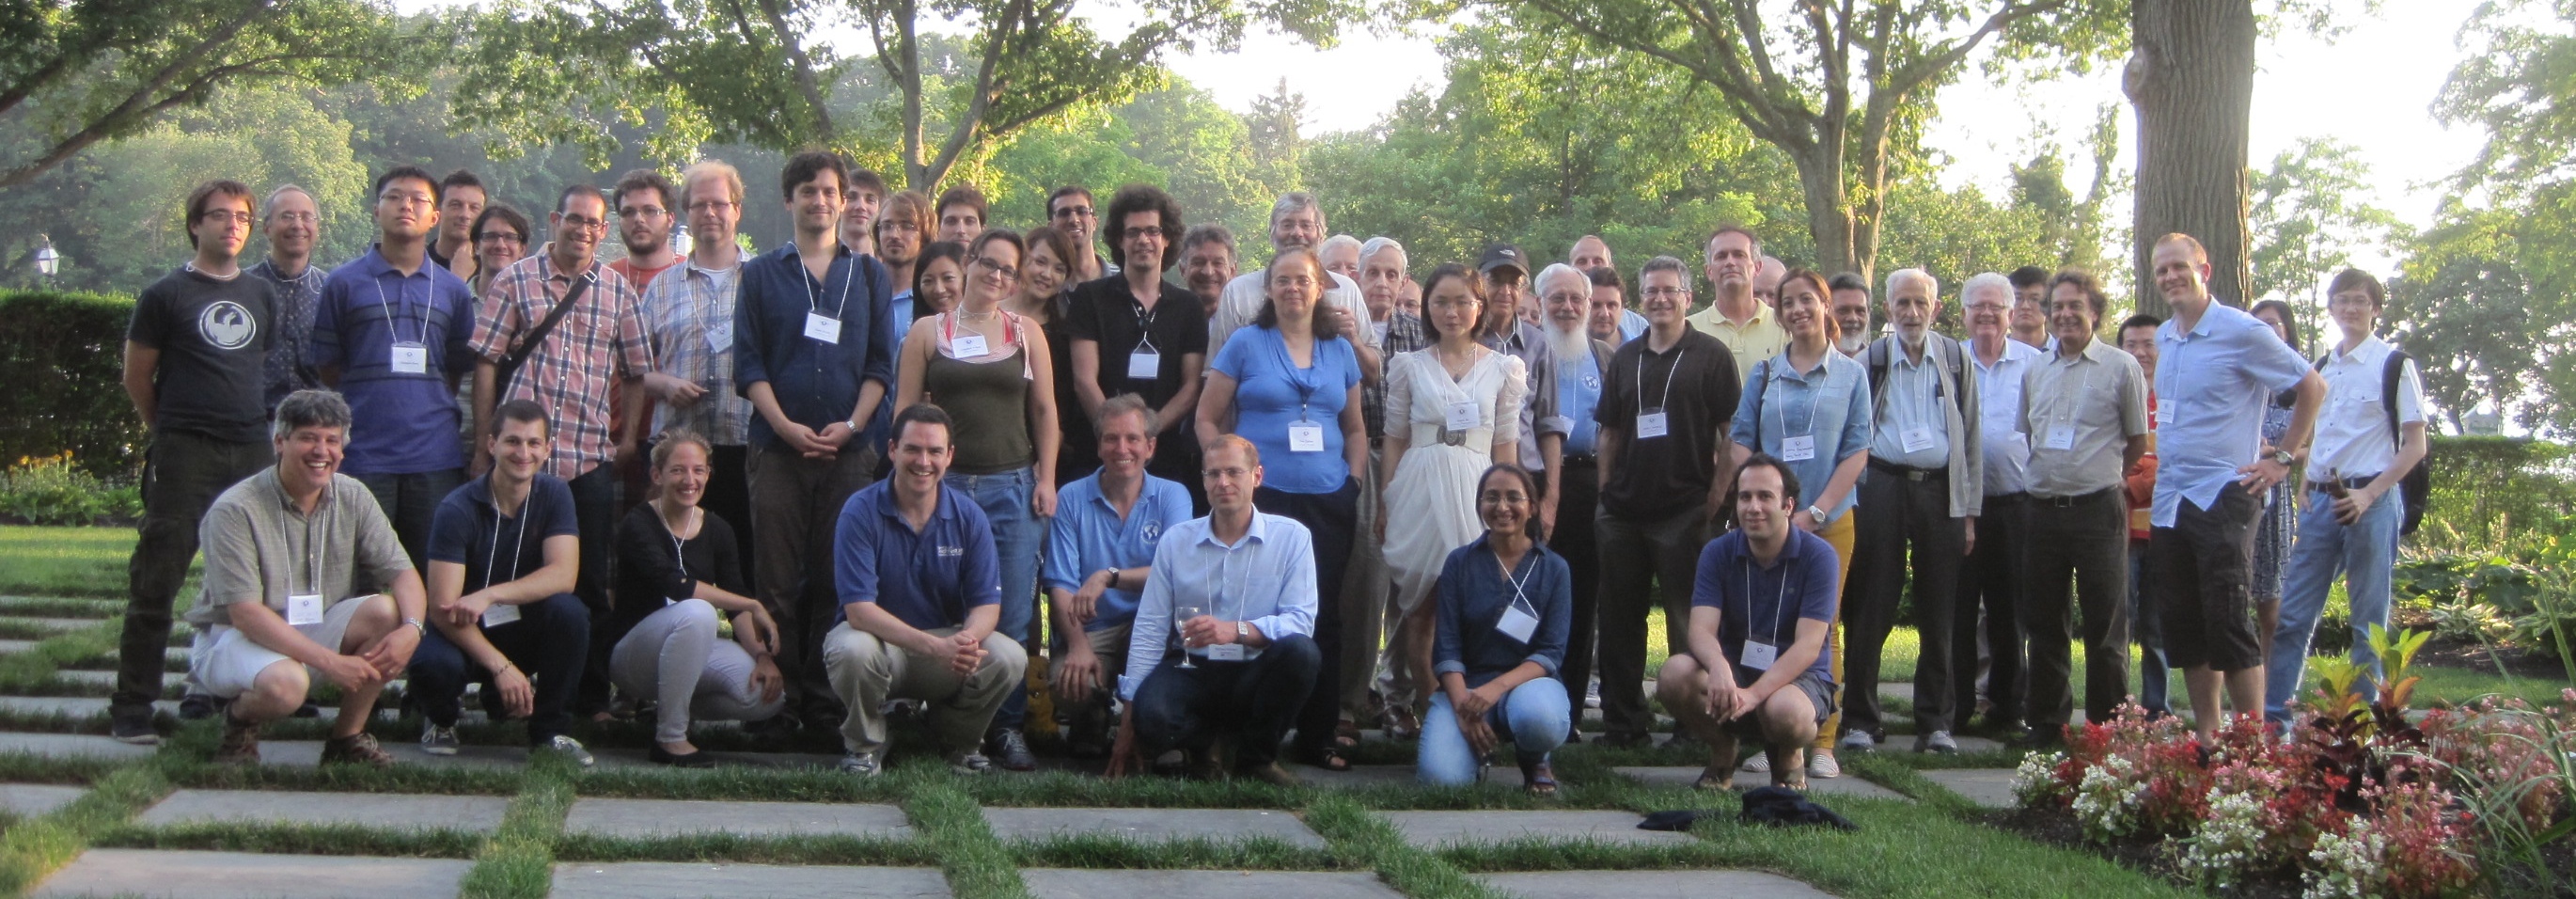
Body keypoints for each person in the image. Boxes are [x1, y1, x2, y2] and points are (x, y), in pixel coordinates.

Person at [470, 183, 653, 721]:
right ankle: (500, 690)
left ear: (604, 230)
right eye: (574, 219)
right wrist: (483, 444)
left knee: (589, 582)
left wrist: (628, 440)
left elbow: (637, 372)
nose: (582, 230)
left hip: (586, 461)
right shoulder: (515, 279)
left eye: (593, 223)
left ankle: (589, 698)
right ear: (555, 220)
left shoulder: (618, 291)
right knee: (505, 578)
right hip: (519, 465)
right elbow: (486, 363)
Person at [735, 151, 899, 735]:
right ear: (789, 200)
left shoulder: (869, 275)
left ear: (845, 200)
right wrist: (784, 426)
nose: (821, 201)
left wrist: (852, 426)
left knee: (837, 579)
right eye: (808, 191)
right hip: (777, 449)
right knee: (776, 582)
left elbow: (880, 366)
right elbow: (749, 365)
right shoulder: (761, 274)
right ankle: (777, 700)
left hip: (850, 454)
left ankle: (827, 700)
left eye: (831, 191)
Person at [115, 179, 279, 745]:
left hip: (251, 449)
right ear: (195, 225)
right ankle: (133, 706)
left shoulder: (261, 294)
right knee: (157, 579)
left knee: (251, 583)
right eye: (219, 215)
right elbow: (137, 377)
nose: (232, 225)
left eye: (242, 217)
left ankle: (230, 696)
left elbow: (256, 366)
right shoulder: (165, 295)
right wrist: (169, 430)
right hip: (186, 451)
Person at [2145, 233, 2326, 744]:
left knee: (2228, 619)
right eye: (2162, 270)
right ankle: (2208, 739)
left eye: (2180, 267)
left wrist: (2283, 458)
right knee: (2185, 622)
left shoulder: (2241, 330)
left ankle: (2251, 748)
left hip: (2226, 492)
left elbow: (2312, 386)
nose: (2171, 277)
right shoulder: (2165, 337)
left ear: (2204, 269)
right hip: (2171, 498)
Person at [184, 390, 424, 765]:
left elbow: (402, 572)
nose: (321, 451)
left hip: (310, 627)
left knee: (388, 612)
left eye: (332, 440)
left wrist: (412, 629)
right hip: (235, 638)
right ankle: (238, 719)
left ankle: (346, 740)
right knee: (287, 688)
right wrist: (331, 663)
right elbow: (245, 614)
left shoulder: (354, 496)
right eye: (308, 438)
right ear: (280, 442)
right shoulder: (235, 509)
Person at [894, 228, 1060, 770]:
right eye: (989, 263)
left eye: (1008, 270)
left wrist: (1047, 478)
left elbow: (1044, 412)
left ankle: (1003, 727)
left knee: (1010, 614)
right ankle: (941, 714)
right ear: (969, 260)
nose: (997, 276)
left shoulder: (1027, 332)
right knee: (940, 605)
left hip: (1012, 489)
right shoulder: (927, 331)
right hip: (942, 490)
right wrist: (910, 479)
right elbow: (906, 411)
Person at [1197, 244, 1364, 771]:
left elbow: (1355, 428)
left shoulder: (1339, 349)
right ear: (1268, 289)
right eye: (1283, 280)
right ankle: (1241, 732)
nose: (1293, 288)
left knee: (1324, 616)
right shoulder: (1246, 343)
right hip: (1262, 501)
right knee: (1251, 609)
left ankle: (1318, 736)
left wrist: (1354, 483)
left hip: (1328, 500)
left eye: (1303, 280)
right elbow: (1207, 417)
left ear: (1320, 288)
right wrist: (1226, 472)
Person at [825, 402, 1029, 776]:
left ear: (949, 456)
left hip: (943, 649)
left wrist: (965, 642)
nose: (923, 461)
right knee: (852, 648)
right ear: (892, 450)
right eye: (913, 449)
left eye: (935, 451)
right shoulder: (860, 511)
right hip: (880, 646)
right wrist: (936, 647)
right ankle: (864, 749)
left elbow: (987, 606)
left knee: (1009, 656)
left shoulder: (969, 517)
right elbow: (859, 611)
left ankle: (956, 741)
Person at [2264, 269, 2427, 725]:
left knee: (2368, 624)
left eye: (2360, 300)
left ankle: (2356, 730)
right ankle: (2274, 725)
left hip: (2371, 503)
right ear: (2331, 308)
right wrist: (2305, 482)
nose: (2350, 308)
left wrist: (2368, 495)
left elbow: (2416, 445)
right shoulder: (2321, 368)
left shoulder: (2394, 365)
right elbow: (2321, 435)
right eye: (2342, 300)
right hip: (2320, 504)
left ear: (2376, 309)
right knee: (2292, 616)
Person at [1110, 435, 1321, 786]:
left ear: (1257, 476)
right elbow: (1150, 625)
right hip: (1192, 665)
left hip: (1255, 665)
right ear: (1204, 480)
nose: (1223, 483)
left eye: (1234, 472)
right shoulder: (1176, 541)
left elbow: (1300, 621)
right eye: (1213, 474)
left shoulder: (1291, 537)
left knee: (1302, 653)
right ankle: (1205, 745)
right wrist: (1128, 716)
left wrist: (1236, 630)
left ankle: (1256, 760)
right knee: (1152, 717)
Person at [1594, 256, 1741, 748]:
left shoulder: (1712, 356)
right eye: (1651, 291)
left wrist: (1715, 499)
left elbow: (1732, 435)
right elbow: (1609, 433)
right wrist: (1605, 496)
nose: (1659, 299)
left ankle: (1691, 725)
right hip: (1623, 514)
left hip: (1686, 512)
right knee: (1619, 623)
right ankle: (1623, 725)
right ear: (1641, 299)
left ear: (1688, 297)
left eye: (1669, 291)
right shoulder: (1625, 357)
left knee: (1688, 625)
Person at [1728, 267, 1870, 779]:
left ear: (1825, 305)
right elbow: (1741, 440)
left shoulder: (1851, 375)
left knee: (1823, 626)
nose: (1797, 310)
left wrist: (1814, 513)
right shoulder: (1764, 374)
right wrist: (1758, 502)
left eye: (1807, 299)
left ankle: (1822, 741)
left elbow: (1857, 450)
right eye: (1788, 302)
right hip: (1768, 525)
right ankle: (1773, 732)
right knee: (1768, 622)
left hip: (1828, 521)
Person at [1378, 264, 1529, 740]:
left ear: (1479, 307)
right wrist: (1386, 500)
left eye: (1463, 301)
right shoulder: (1408, 365)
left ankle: (1479, 707)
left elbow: (1505, 445)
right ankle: (1435, 717)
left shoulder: (1503, 368)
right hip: (1419, 491)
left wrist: (1512, 506)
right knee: (1421, 608)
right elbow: (1395, 437)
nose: (1452, 311)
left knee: (1471, 607)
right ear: (1427, 307)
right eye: (1441, 301)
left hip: (1476, 492)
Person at [309, 166, 479, 574]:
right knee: (358, 573)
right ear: (376, 209)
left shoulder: (453, 290)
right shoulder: (343, 283)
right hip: (363, 451)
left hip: (434, 455)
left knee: (430, 572)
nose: (406, 206)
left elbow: (454, 369)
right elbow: (328, 366)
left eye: (418, 200)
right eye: (394, 197)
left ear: (434, 217)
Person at [1842, 267, 1982, 755]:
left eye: (1921, 303)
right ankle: (1861, 720)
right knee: (1871, 605)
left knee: (1940, 609)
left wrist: (1968, 512)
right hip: (1882, 486)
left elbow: (1971, 437)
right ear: (1888, 309)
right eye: (1902, 303)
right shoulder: (1871, 360)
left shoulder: (1956, 359)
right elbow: (1853, 434)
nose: (1912, 312)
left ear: (1936, 309)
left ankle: (1935, 723)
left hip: (1940, 492)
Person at [412, 399, 596, 765]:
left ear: (548, 448)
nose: (523, 453)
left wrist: (490, 595)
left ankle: (551, 732)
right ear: (491, 444)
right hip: (461, 629)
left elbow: (564, 575)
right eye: (512, 441)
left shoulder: (556, 494)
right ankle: (441, 716)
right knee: (434, 667)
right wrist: (501, 667)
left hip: (519, 623)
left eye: (533, 443)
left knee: (570, 612)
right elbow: (442, 608)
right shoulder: (456, 508)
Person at [1656, 455, 1841, 791]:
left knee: (1786, 713)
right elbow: (1700, 629)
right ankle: (1723, 749)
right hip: (1736, 668)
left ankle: (1789, 756)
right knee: (1674, 675)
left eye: (1765, 497)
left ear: (1788, 505)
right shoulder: (1717, 552)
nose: (1753, 507)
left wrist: (1755, 695)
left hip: (1797, 679)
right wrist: (1719, 667)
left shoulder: (1819, 557)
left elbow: (1809, 646)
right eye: (1745, 497)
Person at [2018, 270, 2149, 742]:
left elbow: (2137, 441)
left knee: (2106, 623)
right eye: (2058, 306)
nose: (2065, 314)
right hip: (2041, 509)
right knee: (2044, 622)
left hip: (2098, 510)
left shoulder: (2121, 367)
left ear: (2095, 311)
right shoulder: (2035, 369)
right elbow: (2030, 434)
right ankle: (2047, 723)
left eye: (2076, 305)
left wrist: (2102, 474)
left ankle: (2105, 728)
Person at [609, 429, 786, 765]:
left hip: (688, 643)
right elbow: (677, 586)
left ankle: (673, 707)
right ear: (657, 475)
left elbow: (736, 600)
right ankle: (670, 738)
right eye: (678, 470)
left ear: (708, 474)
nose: (689, 480)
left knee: (766, 697)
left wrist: (762, 656)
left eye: (698, 470)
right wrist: (752, 604)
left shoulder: (718, 528)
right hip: (634, 655)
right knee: (698, 611)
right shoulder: (639, 523)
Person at [1043, 396, 1193, 757]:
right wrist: (1077, 645)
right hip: (1095, 627)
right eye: (1111, 438)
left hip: (1155, 625)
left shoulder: (1173, 496)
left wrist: (1108, 577)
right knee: (1067, 682)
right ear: (1098, 446)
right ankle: (1091, 718)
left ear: (1150, 447)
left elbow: (1174, 573)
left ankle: (1153, 729)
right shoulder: (1071, 497)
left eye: (1132, 438)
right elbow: (1060, 583)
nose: (1122, 448)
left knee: (1167, 686)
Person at [638, 160, 759, 576]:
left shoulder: (763, 278)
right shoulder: (662, 285)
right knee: (675, 566)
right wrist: (664, 384)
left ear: (736, 210)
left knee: (745, 562)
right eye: (699, 204)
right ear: (686, 213)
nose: (709, 213)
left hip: (745, 446)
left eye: (719, 204)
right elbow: (633, 368)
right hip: (677, 453)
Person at [1420, 464, 1571, 791]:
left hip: (1529, 688)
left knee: (1540, 720)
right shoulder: (1459, 563)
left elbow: (1551, 652)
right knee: (1441, 782)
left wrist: (1496, 689)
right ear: (1480, 505)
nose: (1502, 507)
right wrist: (1463, 708)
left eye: (1513, 497)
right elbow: (1446, 647)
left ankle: (1534, 755)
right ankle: (1472, 751)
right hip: (1467, 690)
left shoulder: (1555, 569)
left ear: (1532, 506)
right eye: (1492, 497)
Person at [1068, 184, 1207, 500]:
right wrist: (1118, 438)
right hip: (1099, 454)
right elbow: (1083, 380)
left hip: (1164, 455)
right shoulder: (1090, 299)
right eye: (1133, 232)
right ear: (1120, 239)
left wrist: (1146, 435)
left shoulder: (1188, 307)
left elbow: (1191, 387)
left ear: (1167, 238)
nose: (1143, 240)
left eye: (1152, 231)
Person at [1956, 273, 2042, 733]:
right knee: (1958, 609)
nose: (1986, 314)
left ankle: (2008, 708)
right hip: (1958, 505)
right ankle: (1954, 707)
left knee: (2010, 611)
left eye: (1996, 306)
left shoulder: (2035, 363)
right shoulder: (1949, 360)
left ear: (2011, 314)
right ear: (1963, 314)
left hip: (2016, 503)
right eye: (1978, 306)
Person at [1535, 263, 1613, 743]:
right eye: (1557, 298)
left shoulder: (1605, 357)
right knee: (1529, 595)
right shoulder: (1527, 351)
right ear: (1540, 303)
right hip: (1534, 483)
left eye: (1575, 299)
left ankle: (1570, 710)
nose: (1567, 307)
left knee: (1582, 598)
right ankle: (1525, 701)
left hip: (1587, 484)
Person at [1352, 234, 1420, 737]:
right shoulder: (1339, 326)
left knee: (1407, 585)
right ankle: (1354, 696)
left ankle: (1399, 696)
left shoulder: (1419, 332)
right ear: (1355, 276)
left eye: (1391, 274)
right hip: (1357, 458)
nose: (1381, 282)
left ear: (1403, 281)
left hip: (1410, 461)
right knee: (1364, 581)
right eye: (1372, 272)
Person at [1207, 193, 1382, 378]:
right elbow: (1213, 374)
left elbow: (1374, 375)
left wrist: (1353, 340)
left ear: (1321, 235)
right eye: (1287, 225)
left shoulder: (1346, 290)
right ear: (1272, 233)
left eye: (1306, 225)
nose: (1297, 233)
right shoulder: (1238, 292)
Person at [1473, 246, 1566, 540]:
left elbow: (1549, 423)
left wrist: (1551, 498)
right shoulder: (1463, 340)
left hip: (1526, 480)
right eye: (1496, 280)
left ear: (1524, 290)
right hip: (1472, 474)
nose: (1505, 291)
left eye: (1514, 283)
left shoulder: (1539, 344)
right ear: (1479, 283)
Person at [2120, 313, 2172, 717]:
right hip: (2119, 531)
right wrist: (2140, 470)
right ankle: (2116, 707)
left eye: (2148, 344)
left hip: (2164, 530)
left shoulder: (2175, 400)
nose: (2140, 353)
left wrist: (2134, 481)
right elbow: (2105, 455)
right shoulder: (2114, 396)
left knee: (2156, 628)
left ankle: (2157, 708)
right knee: (2117, 624)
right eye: (2131, 345)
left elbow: (2175, 459)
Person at [1012, 224, 1089, 484]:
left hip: (1043, 458)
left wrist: (1046, 463)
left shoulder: (1064, 333)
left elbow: (1063, 406)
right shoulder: (991, 315)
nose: (1047, 275)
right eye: (1040, 262)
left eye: (1059, 269)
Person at [2249, 300, 2303, 659]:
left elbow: (2318, 447)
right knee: (2231, 599)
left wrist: (2279, 453)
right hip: (2236, 490)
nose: (2265, 331)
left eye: (2272, 324)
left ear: (2286, 332)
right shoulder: (2242, 377)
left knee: (2270, 605)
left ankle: (2273, 684)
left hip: (2276, 496)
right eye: (2258, 324)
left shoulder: (2301, 387)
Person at [249, 184, 325, 411]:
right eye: (287, 216)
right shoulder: (243, 288)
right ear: (267, 227)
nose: (298, 225)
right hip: (255, 419)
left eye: (307, 217)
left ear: (317, 227)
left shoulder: (331, 289)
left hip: (319, 420)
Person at [1684, 227, 1786, 383]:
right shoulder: (1687, 330)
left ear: (1757, 267)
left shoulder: (1784, 326)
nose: (1730, 262)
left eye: (1739, 255)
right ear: (1709, 271)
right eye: (1721, 256)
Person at [609, 168, 682, 291]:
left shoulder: (692, 276)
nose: (639, 219)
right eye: (628, 212)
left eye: (650, 211)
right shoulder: (605, 279)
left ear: (670, 219)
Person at [1569, 235, 1645, 341]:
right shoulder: (1554, 324)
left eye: (1598, 261)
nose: (1590, 267)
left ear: (1611, 268)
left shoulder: (1639, 327)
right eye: (1582, 261)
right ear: (1570, 270)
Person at [878, 190, 934, 323]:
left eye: (907, 226)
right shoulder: (862, 290)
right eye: (887, 226)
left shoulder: (933, 297)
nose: (894, 235)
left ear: (924, 235)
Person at [430, 170, 489, 279]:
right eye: (455, 205)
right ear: (437, 211)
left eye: (474, 208)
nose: (465, 215)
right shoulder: (417, 264)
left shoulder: (492, 270)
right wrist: (458, 277)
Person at [1048, 185, 1112, 281]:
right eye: (1064, 213)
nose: (1074, 220)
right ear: (1051, 227)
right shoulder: (1045, 285)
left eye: (1082, 211)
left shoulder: (1126, 280)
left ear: (1094, 223)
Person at [466, 206, 530, 299]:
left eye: (510, 237)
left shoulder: (535, 304)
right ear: (476, 247)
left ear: (522, 249)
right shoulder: (454, 300)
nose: (500, 245)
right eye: (491, 236)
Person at [1179, 224, 1237, 322]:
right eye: (1198, 262)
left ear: (1232, 271)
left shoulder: (1245, 320)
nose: (1208, 272)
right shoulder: (1167, 319)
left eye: (1218, 263)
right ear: (1183, 269)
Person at [908, 241, 967, 325]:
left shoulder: (985, 329)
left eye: (948, 278)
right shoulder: (917, 331)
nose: (939, 290)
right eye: (928, 281)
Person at [840, 167, 887, 258]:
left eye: (870, 200)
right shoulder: (816, 262)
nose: (861, 206)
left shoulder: (890, 265)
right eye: (851, 197)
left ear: (881, 210)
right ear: (839, 203)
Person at [1830, 273, 1873, 358]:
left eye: (1860, 311)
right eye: (1843, 311)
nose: (1853, 318)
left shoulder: (1879, 362)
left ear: (1869, 314)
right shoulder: (1807, 363)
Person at [2008, 266, 2051, 349]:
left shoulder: (2062, 351)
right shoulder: (1993, 353)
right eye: (2018, 298)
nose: (2025, 306)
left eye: (2034, 299)